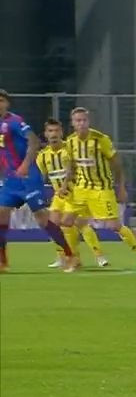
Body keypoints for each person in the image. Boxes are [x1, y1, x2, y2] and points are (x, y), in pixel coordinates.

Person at [59, 107, 136, 270]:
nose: (81, 123)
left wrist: (121, 186)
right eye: (78, 121)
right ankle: (74, 259)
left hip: (101, 189)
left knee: (113, 226)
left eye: (84, 120)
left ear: (88, 121)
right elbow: (71, 166)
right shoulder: (71, 142)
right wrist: (65, 185)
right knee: (66, 222)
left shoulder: (100, 139)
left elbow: (117, 164)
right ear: (73, 123)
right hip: (80, 189)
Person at [0, 89, 76, 271]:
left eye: (1, 100)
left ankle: (70, 255)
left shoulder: (15, 121)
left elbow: (33, 141)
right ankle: (2, 261)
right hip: (11, 180)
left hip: (28, 178)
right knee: (1, 214)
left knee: (42, 219)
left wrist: (26, 165)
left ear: (7, 103)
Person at [36, 118, 107, 269]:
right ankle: (63, 257)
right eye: (50, 131)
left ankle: (99, 255)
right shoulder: (43, 155)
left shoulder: (69, 149)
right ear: (46, 134)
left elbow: (77, 168)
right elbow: (39, 176)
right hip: (59, 195)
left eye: (56, 130)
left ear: (61, 132)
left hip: (75, 193)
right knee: (54, 225)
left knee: (80, 224)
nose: (53, 134)